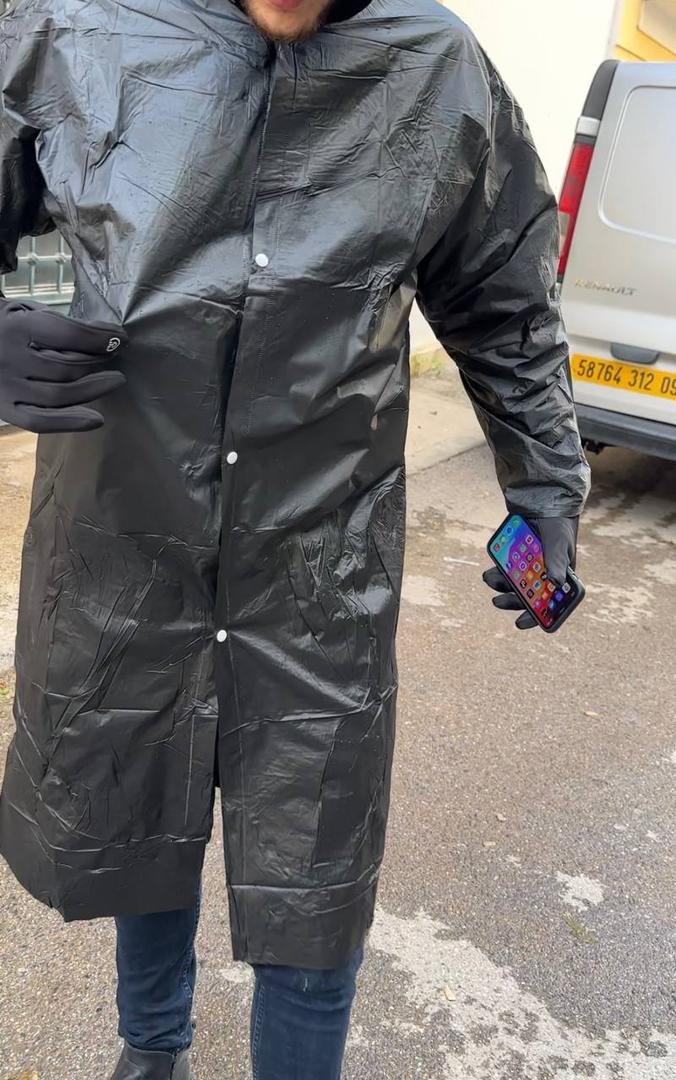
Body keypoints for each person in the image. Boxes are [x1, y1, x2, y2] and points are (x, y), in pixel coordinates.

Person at [0, 0, 590, 1074]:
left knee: (315, 877)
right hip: (123, 547)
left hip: (321, 566)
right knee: (144, 818)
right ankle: (152, 1050)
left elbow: (504, 298)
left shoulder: (436, 65)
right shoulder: (76, 25)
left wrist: (546, 481)